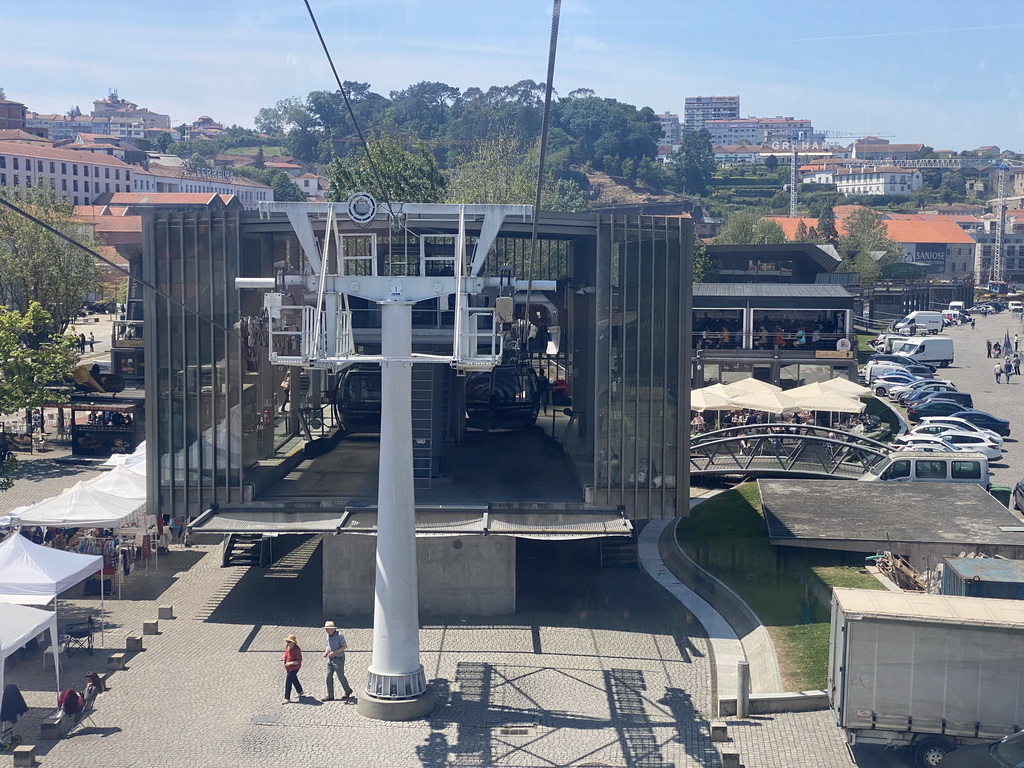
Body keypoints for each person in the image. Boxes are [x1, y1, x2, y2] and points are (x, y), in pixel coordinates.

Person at [321, 620, 354, 702]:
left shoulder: (339, 635)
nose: (327, 631)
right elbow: (328, 645)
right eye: (326, 629)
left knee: (340, 676)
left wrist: (334, 653)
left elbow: (345, 646)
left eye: (328, 629)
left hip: (338, 659)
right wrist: (326, 652)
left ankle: (348, 690)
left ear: (333, 629)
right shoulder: (328, 635)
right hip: (330, 659)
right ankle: (330, 695)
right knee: (328, 677)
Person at [281, 634, 305, 703]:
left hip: (294, 668)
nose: (287, 643)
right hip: (288, 667)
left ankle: (287, 698)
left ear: (293, 642)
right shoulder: (287, 647)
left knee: (288, 681)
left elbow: (298, 661)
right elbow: (286, 653)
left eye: (289, 642)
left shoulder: (296, 649)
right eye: (287, 641)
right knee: (294, 679)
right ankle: (300, 691)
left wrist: (290, 663)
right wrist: (283, 657)